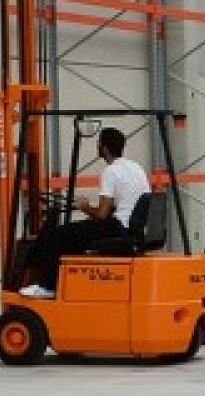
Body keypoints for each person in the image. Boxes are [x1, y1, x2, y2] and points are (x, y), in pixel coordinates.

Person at [19, 126, 150, 298]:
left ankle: (47, 286)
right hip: (131, 228)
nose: (97, 146)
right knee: (77, 234)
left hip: (118, 227)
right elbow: (123, 202)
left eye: (98, 142)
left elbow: (102, 214)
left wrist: (85, 207)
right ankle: (68, 284)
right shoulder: (136, 167)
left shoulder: (111, 171)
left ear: (104, 147)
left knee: (58, 235)